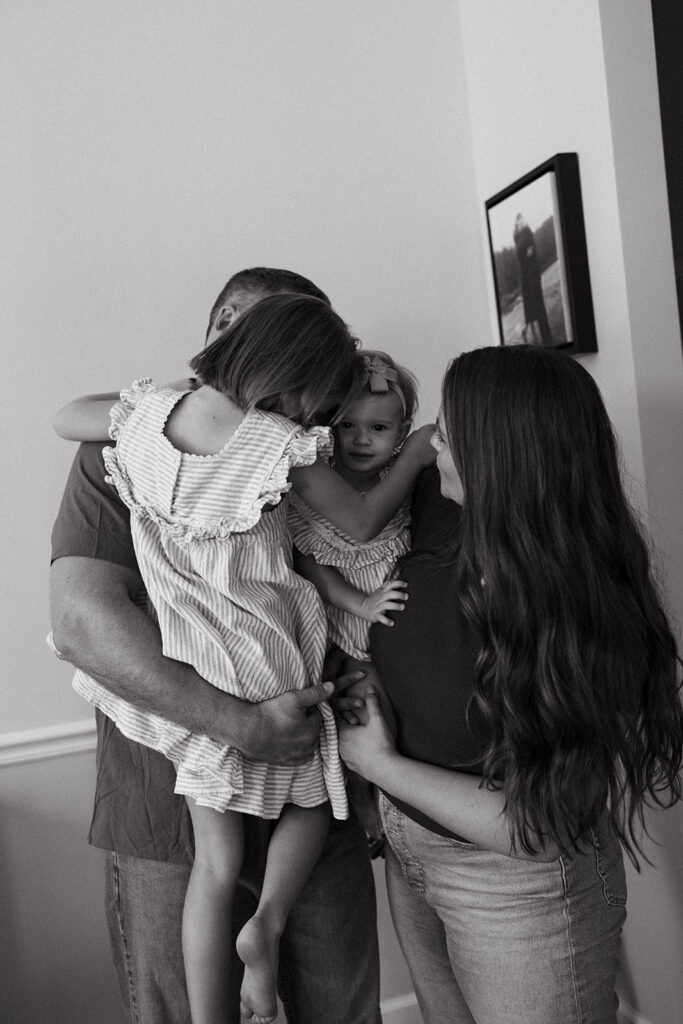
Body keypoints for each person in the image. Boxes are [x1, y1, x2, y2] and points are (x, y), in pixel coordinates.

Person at [52, 289, 434, 1024]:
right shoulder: (276, 445)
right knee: (313, 794)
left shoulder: (140, 424)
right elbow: (359, 521)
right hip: (269, 660)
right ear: (303, 378)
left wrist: (159, 399)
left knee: (215, 867)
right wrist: (418, 448)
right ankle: (268, 923)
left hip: (193, 661)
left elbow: (66, 415)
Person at [338, 344, 683, 1024]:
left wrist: (376, 764)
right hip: (410, 851)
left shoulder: (573, 608)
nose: (430, 444)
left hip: (515, 888)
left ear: (495, 454)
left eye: (446, 433)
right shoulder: (445, 516)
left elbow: (537, 825)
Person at [288, 350, 418, 842]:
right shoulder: (315, 486)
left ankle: (397, 814)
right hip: (343, 627)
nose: (362, 439)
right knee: (360, 711)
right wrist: (360, 603)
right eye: (348, 426)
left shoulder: (404, 485)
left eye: (379, 429)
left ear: (403, 432)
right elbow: (311, 566)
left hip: (394, 632)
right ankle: (366, 809)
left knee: (393, 720)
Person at [513, 213, 552, 346]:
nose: (520, 223)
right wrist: (523, 252)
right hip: (525, 278)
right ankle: (534, 337)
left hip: (532, 276)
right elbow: (522, 254)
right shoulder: (517, 236)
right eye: (518, 222)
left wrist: (524, 252)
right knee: (529, 311)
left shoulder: (527, 232)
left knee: (539, 307)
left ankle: (546, 337)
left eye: (521, 221)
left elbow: (528, 253)